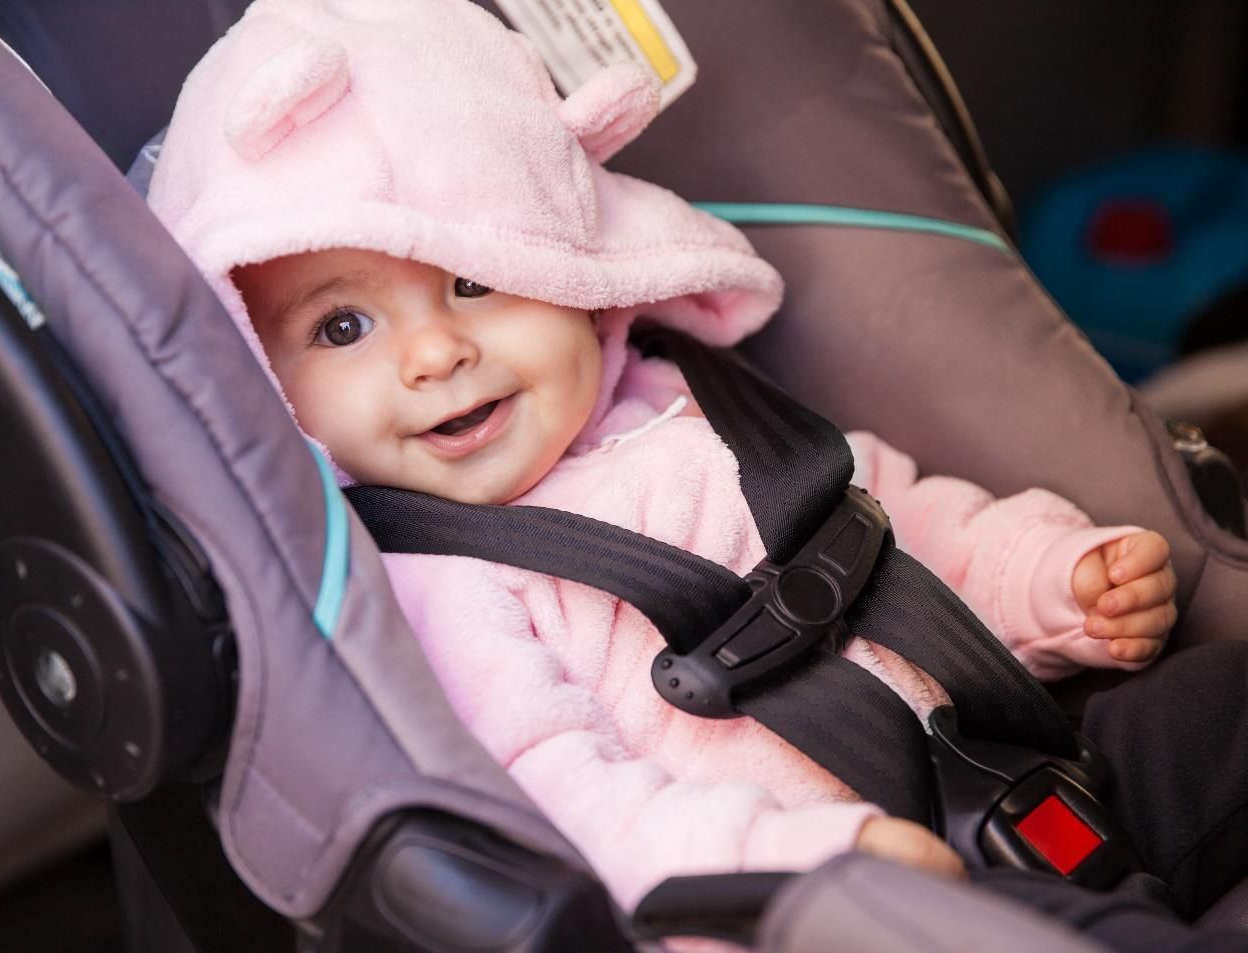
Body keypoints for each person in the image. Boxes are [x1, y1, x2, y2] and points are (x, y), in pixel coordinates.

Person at [147, 0, 1248, 948]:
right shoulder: (435, 586)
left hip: (1008, 758)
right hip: (819, 901)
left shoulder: (698, 405)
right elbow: (560, 798)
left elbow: (892, 518)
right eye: (342, 323)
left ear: (573, 273)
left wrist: (1044, 578)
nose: (434, 352)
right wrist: (806, 866)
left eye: (477, 278)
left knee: (1219, 697)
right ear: (262, 379)